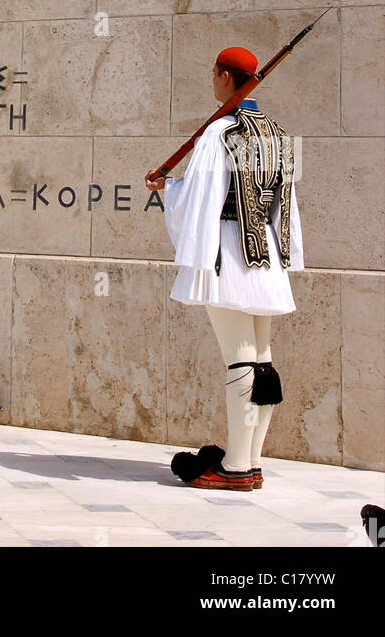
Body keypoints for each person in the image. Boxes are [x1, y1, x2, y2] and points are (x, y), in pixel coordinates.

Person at [145, 46, 304, 492]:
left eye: (214, 74)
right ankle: (250, 462)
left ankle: (234, 468)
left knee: (241, 362)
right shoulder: (277, 133)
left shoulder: (219, 133)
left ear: (224, 77)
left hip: (229, 255)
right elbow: (285, 208)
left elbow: (200, 201)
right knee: (262, 363)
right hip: (266, 255)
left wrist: (166, 188)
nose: (212, 80)